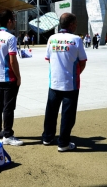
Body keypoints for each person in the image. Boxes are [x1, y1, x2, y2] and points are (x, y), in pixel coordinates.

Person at [42, 12, 87, 152]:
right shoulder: (76, 40)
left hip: (54, 82)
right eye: (76, 23)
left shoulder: (52, 38)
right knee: (68, 114)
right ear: (71, 24)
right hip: (70, 84)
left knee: (51, 111)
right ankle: (63, 143)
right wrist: (75, 73)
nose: (76, 25)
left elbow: (48, 59)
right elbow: (82, 62)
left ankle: (47, 138)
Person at [0, 9, 23, 146]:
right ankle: (8, 135)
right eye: (14, 20)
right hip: (9, 77)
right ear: (9, 21)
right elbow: (12, 60)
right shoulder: (10, 38)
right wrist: (18, 76)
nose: (15, 22)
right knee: (8, 106)